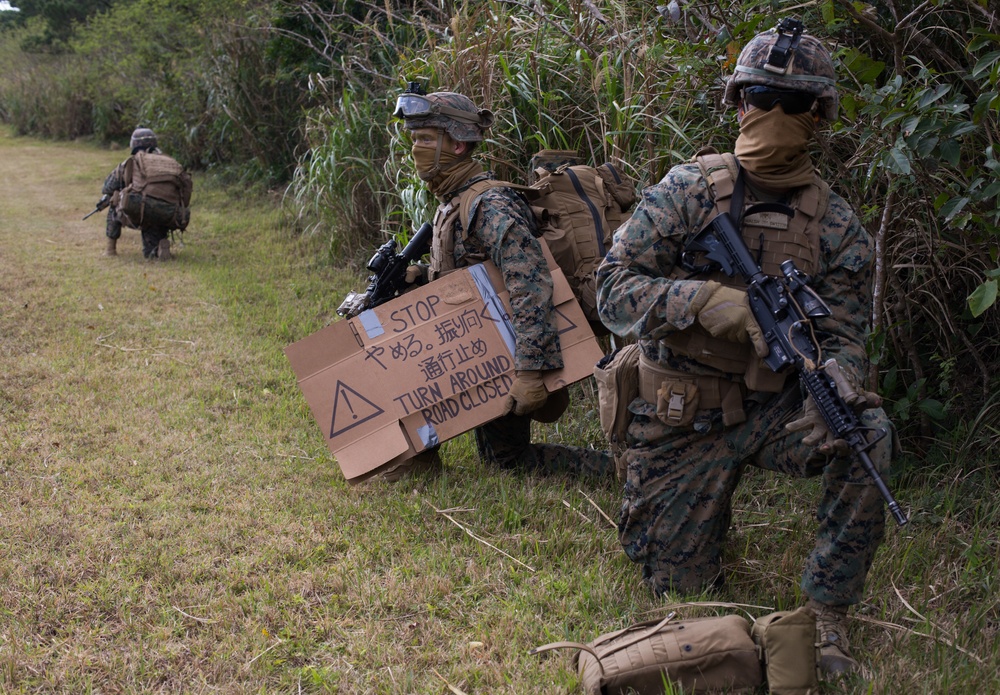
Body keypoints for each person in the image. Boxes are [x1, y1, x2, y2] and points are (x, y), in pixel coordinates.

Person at [595, 19, 894, 677]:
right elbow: (612, 293)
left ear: (820, 116)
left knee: (867, 430)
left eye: (795, 104)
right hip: (680, 413)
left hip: (774, 412)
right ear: (737, 102)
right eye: (762, 96)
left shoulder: (837, 225)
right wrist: (705, 302)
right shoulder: (687, 191)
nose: (775, 114)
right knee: (682, 598)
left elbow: (846, 335)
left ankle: (824, 617)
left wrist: (839, 377)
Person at [384, 87, 612, 480]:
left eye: (424, 138)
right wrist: (422, 277)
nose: (415, 148)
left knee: (507, 462)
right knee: (503, 460)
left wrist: (531, 370)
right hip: (480, 345)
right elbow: (474, 277)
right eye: (413, 139)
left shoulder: (490, 204)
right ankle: (417, 457)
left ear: (456, 144)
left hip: (507, 350)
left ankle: (622, 471)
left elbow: (530, 282)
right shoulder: (452, 200)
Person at [99, 127, 173, 260]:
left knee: (114, 202)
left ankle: (110, 249)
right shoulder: (167, 162)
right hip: (169, 213)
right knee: (151, 249)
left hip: (144, 211)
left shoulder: (131, 163)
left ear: (134, 145)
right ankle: (160, 245)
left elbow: (108, 188)